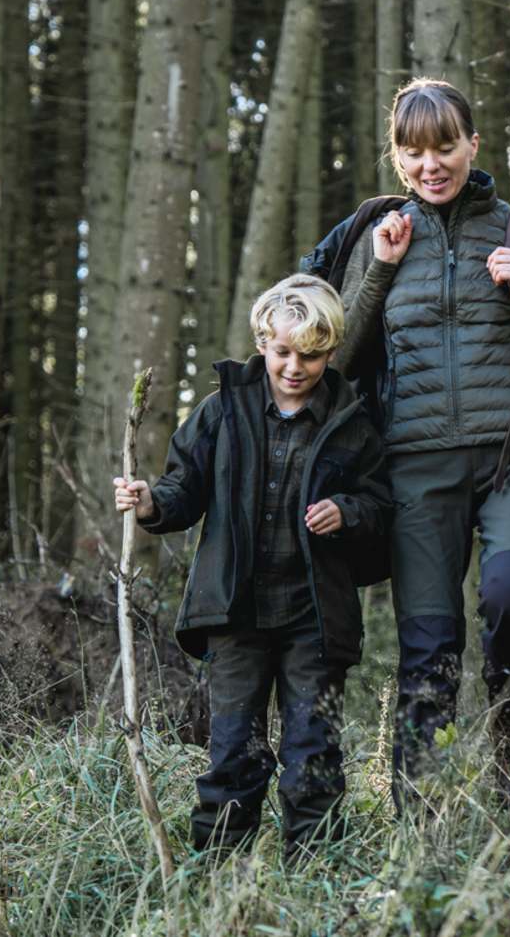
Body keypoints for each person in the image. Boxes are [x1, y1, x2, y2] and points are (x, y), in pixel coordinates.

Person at [300, 79, 510, 799]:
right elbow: (347, 359)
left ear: (473, 145)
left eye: (446, 146)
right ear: (397, 158)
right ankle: (420, 806)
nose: (432, 164)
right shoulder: (377, 238)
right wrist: (383, 268)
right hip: (416, 469)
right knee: (428, 645)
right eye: (414, 151)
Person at [114, 274, 392, 857]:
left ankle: (314, 880)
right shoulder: (223, 410)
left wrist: (347, 511)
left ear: (331, 352)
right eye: (284, 351)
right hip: (234, 611)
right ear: (263, 342)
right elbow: (182, 487)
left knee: (312, 753)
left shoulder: (352, 420)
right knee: (233, 752)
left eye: (312, 355)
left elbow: (383, 505)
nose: (295, 367)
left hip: (315, 617)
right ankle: (217, 879)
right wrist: (150, 504)